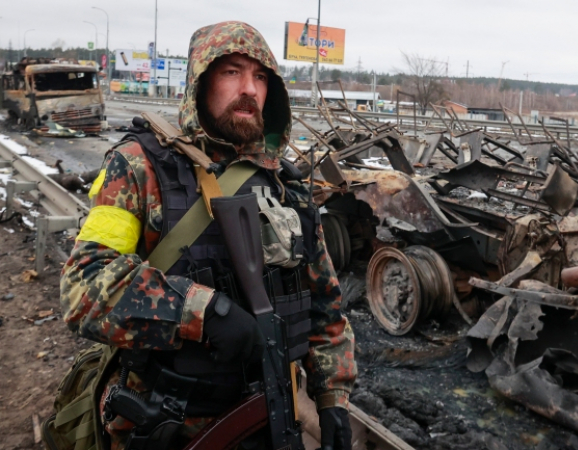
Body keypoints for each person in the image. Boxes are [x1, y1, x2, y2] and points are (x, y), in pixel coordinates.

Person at [60, 21, 356, 450]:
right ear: (200, 81)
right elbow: (84, 286)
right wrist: (202, 311)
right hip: (171, 424)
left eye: (260, 77)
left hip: (269, 419)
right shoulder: (140, 166)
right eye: (232, 72)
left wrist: (333, 397)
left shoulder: (285, 187)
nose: (249, 90)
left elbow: (325, 306)